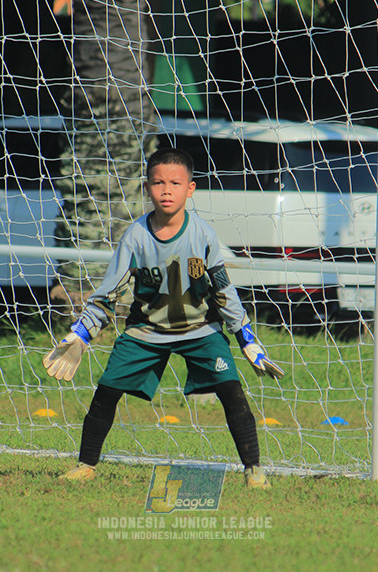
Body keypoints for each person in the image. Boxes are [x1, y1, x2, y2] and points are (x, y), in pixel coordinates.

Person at [43, 146, 284, 488]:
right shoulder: (136, 237)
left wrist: (245, 336)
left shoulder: (203, 235)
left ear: (191, 189)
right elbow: (109, 293)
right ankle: (86, 464)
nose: (166, 190)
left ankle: (254, 470)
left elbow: (222, 289)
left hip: (201, 329)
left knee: (231, 390)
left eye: (175, 183)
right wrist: (82, 334)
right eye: (158, 183)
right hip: (146, 331)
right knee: (106, 391)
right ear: (146, 187)